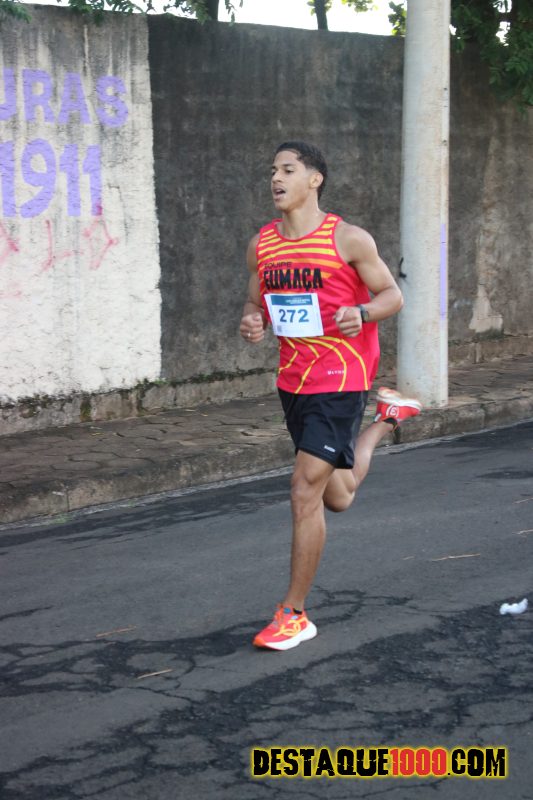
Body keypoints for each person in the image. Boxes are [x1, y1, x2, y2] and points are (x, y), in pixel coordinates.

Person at [239, 141, 421, 651]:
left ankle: (294, 614)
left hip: (342, 377)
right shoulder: (262, 245)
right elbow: (254, 301)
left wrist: (362, 313)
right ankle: (388, 419)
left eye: (287, 169)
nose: (276, 179)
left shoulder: (348, 239)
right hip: (293, 381)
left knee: (304, 489)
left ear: (314, 179)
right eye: (273, 170)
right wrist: (251, 321)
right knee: (337, 496)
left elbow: (392, 296)